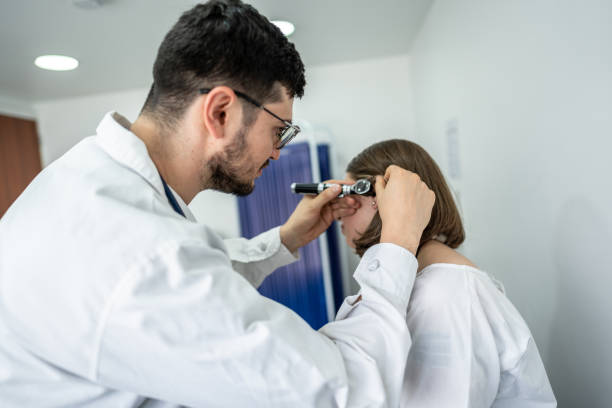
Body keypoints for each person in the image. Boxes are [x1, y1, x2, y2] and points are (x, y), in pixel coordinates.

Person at [0, 2, 436, 407]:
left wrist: (285, 239)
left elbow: (197, 278)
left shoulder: (88, 183)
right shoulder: (141, 254)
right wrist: (396, 244)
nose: (277, 153)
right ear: (221, 112)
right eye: (280, 130)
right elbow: (343, 392)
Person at [333, 139, 557, 407]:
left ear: (383, 200)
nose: (339, 215)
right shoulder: (420, 281)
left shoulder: (446, 295)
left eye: (350, 200)